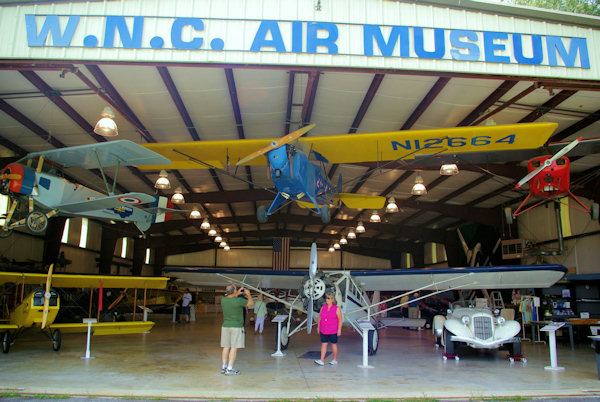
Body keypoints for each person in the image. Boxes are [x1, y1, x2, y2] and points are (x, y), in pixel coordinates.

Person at [220, 284, 253, 375]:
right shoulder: (239, 301)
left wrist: (237, 293)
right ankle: (230, 369)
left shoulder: (223, 300)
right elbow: (250, 303)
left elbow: (231, 297)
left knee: (226, 347)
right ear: (234, 291)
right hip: (236, 327)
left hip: (225, 326)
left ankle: (224, 367)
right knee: (234, 348)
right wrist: (248, 294)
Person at [314, 291, 342, 366]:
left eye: (328, 298)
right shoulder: (323, 307)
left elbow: (340, 319)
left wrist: (339, 329)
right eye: (326, 298)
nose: (327, 300)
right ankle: (322, 360)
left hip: (333, 329)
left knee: (333, 344)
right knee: (324, 344)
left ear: (332, 299)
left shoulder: (337, 308)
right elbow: (320, 317)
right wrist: (318, 326)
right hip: (324, 329)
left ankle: (335, 359)